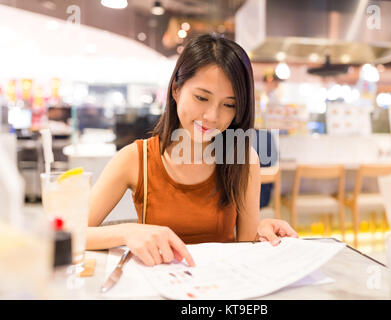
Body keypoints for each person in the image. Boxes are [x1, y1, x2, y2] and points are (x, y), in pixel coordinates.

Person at [86, 34, 298, 268]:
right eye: (201, 97)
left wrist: (260, 233)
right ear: (176, 90)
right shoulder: (135, 159)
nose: (212, 117)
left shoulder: (244, 160)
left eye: (229, 105)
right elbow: (70, 233)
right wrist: (127, 232)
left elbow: (244, 246)